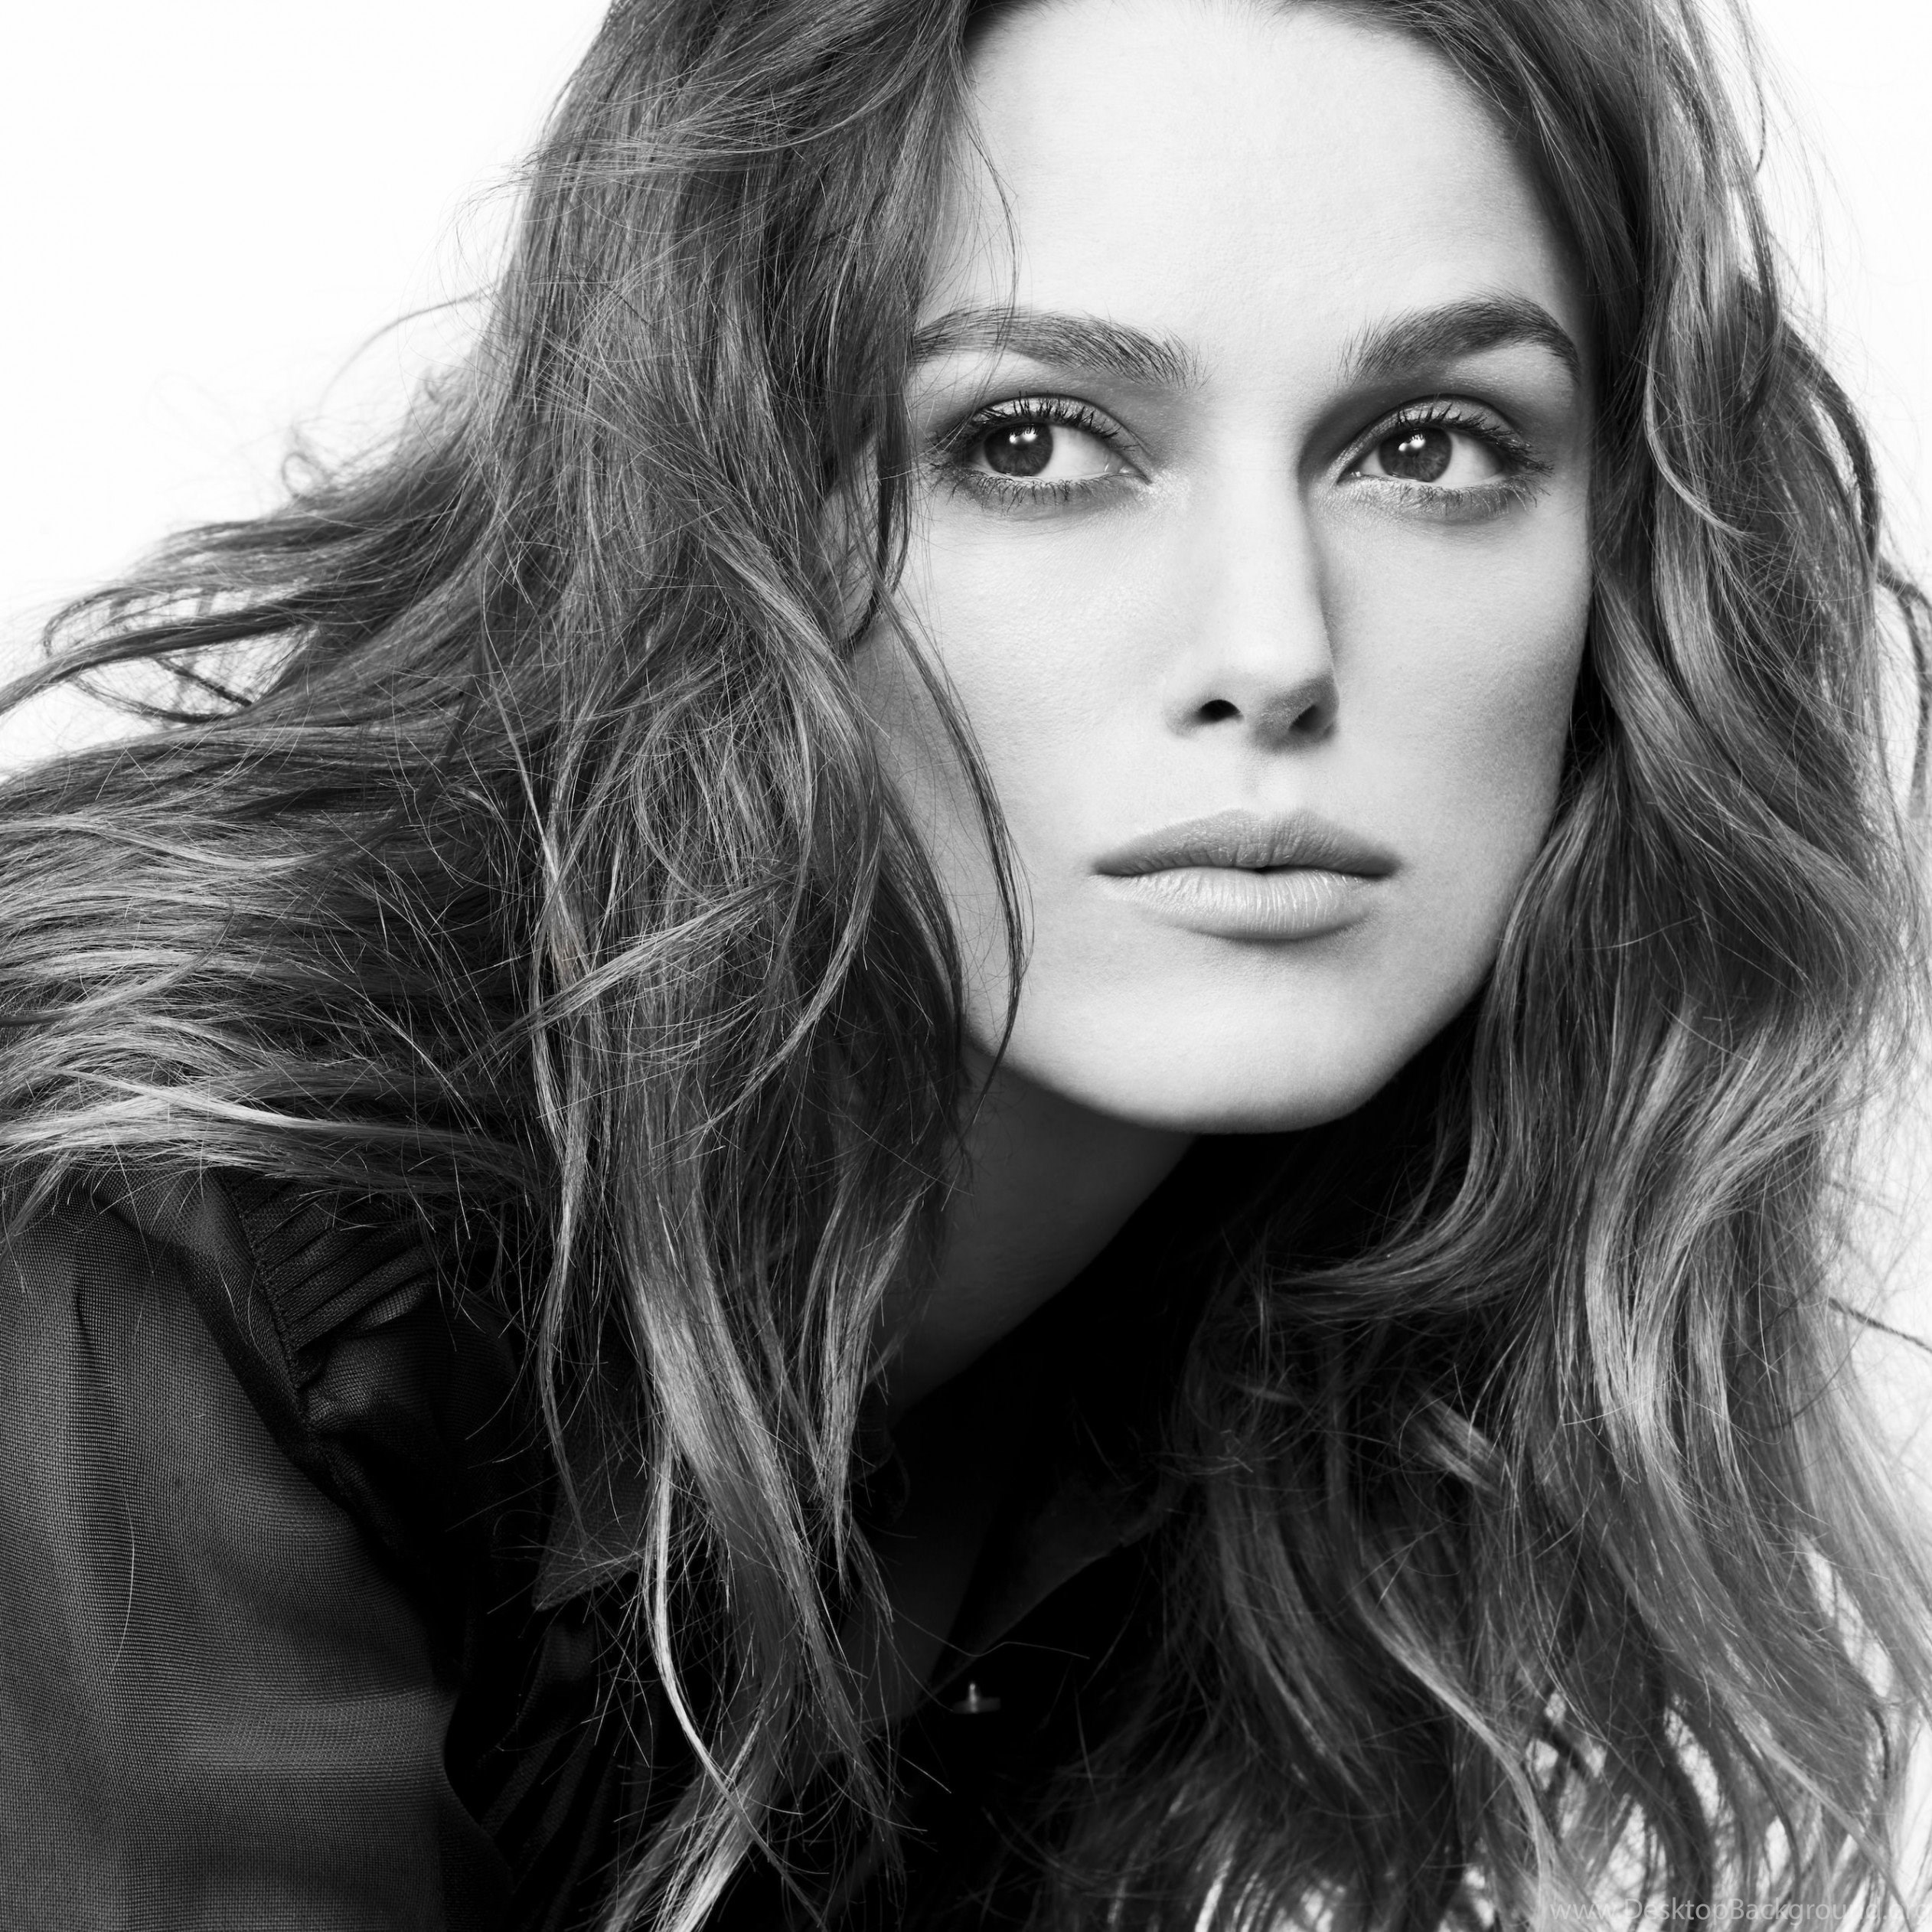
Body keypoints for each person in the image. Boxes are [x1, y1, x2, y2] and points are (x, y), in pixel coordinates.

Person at [1, 0, 1928, 1926]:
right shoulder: (152, 1246)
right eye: (1032, 441)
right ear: (709, 517)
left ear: (1629, 568)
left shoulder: (1229, 1351)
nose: (1271, 648)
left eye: (1428, 447)